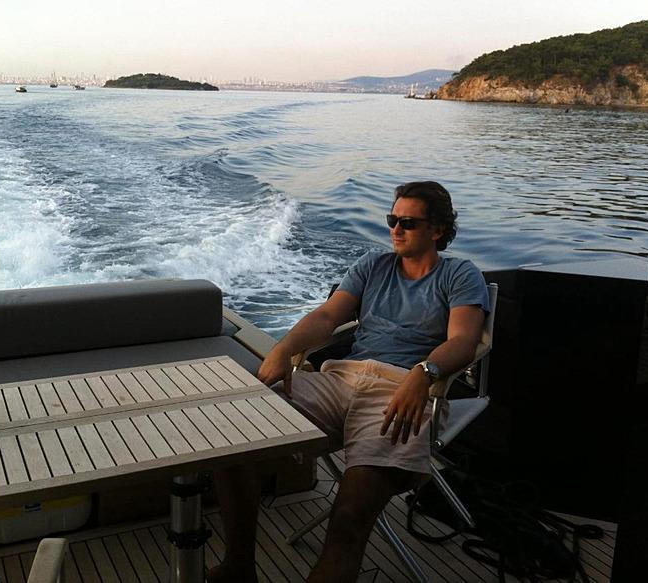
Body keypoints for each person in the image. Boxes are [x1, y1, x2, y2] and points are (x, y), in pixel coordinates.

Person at [208, 181, 490, 583]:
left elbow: (463, 340)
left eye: (408, 223)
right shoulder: (373, 265)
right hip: (341, 378)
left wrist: (423, 373)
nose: (396, 229)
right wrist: (284, 348)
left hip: (404, 390)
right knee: (233, 437)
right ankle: (239, 568)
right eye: (392, 219)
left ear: (438, 230)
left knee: (350, 513)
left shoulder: (460, 274)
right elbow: (328, 316)